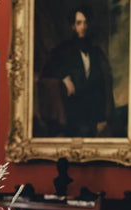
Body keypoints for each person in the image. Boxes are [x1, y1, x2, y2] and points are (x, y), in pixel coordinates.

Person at [38, 5, 114, 137]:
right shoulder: (63, 50)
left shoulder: (95, 51)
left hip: (93, 113)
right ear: (73, 26)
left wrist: (102, 118)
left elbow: (102, 84)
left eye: (85, 23)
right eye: (79, 23)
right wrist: (64, 78)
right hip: (72, 111)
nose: (83, 27)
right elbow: (48, 70)